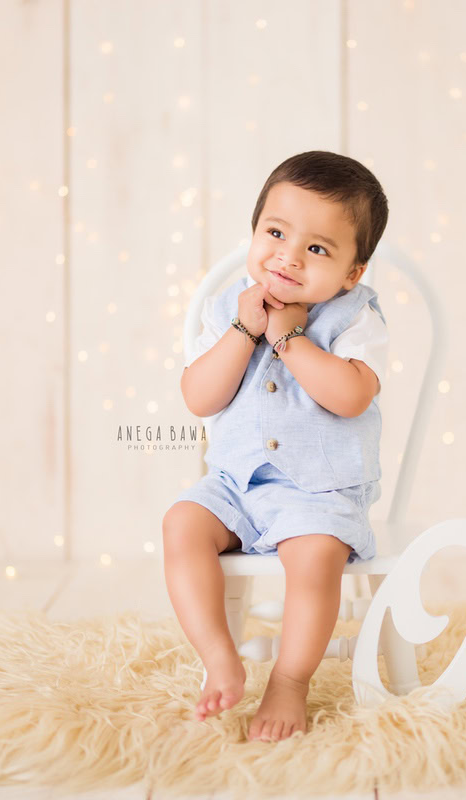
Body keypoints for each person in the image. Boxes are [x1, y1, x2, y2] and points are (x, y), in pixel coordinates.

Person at [164, 150, 390, 742]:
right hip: (236, 484)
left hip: (317, 488)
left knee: (314, 558)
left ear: (351, 273)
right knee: (181, 525)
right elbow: (199, 397)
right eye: (276, 232)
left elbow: (351, 397)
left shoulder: (354, 318)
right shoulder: (227, 309)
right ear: (255, 231)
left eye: (317, 248)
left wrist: (289, 339)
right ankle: (219, 654)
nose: (288, 255)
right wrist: (244, 331)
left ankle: (290, 680)